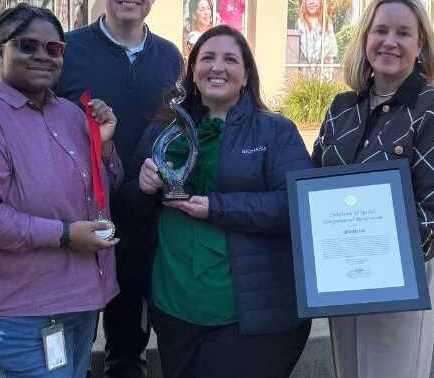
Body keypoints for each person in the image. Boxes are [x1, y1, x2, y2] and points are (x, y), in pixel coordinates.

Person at [0, 4, 122, 377]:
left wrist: (104, 147)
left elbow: (104, 190)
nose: (42, 56)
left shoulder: (71, 115)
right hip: (17, 312)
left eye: (54, 49)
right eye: (27, 45)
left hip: (78, 302)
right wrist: (66, 235)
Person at [118, 25, 312, 378]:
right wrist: (143, 187)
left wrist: (215, 206)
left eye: (230, 59)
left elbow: (296, 207)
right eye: (207, 58)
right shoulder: (164, 128)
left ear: (246, 73)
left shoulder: (275, 131)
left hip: (248, 311)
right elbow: (127, 208)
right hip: (174, 304)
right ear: (192, 71)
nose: (217, 67)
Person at [313, 0, 434, 378]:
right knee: (348, 370)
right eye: (380, 30)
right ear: (365, 39)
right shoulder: (340, 110)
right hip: (340, 276)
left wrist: (365, 264)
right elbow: (314, 187)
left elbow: (431, 215)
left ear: (421, 45)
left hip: (399, 278)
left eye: (403, 33)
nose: (390, 42)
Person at [53, 0, 183, 378]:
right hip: (78, 218)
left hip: (141, 221)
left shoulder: (171, 59)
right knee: (71, 339)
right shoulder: (66, 51)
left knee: (129, 347)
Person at [296, 0, 338, 64]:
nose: (311, 2)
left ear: (320, 0)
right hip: (305, 73)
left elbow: (334, 50)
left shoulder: (327, 22)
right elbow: (308, 53)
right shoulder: (300, 23)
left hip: (325, 72)